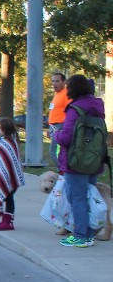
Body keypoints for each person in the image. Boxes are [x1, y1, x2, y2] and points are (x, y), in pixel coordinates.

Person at [53, 74, 106, 247]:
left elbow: (66, 137)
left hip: (75, 161)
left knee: (77, 199)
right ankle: (89, 234)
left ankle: (80, 235)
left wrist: (55, 134)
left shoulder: (74, 109)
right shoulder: (97, 107)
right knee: (89, 198)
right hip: (94, 159)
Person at [47, 72, 68, 168]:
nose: (54, 84)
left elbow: (69, 112)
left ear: (63, 82)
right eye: (53, 81)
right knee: (53, 152)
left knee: (54, 152)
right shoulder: (57, 94)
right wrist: (49, 128)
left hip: (60, 127)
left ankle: (63, 172)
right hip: (53, 126)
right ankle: (62, 172)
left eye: (57, 81)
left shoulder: (66, 93)